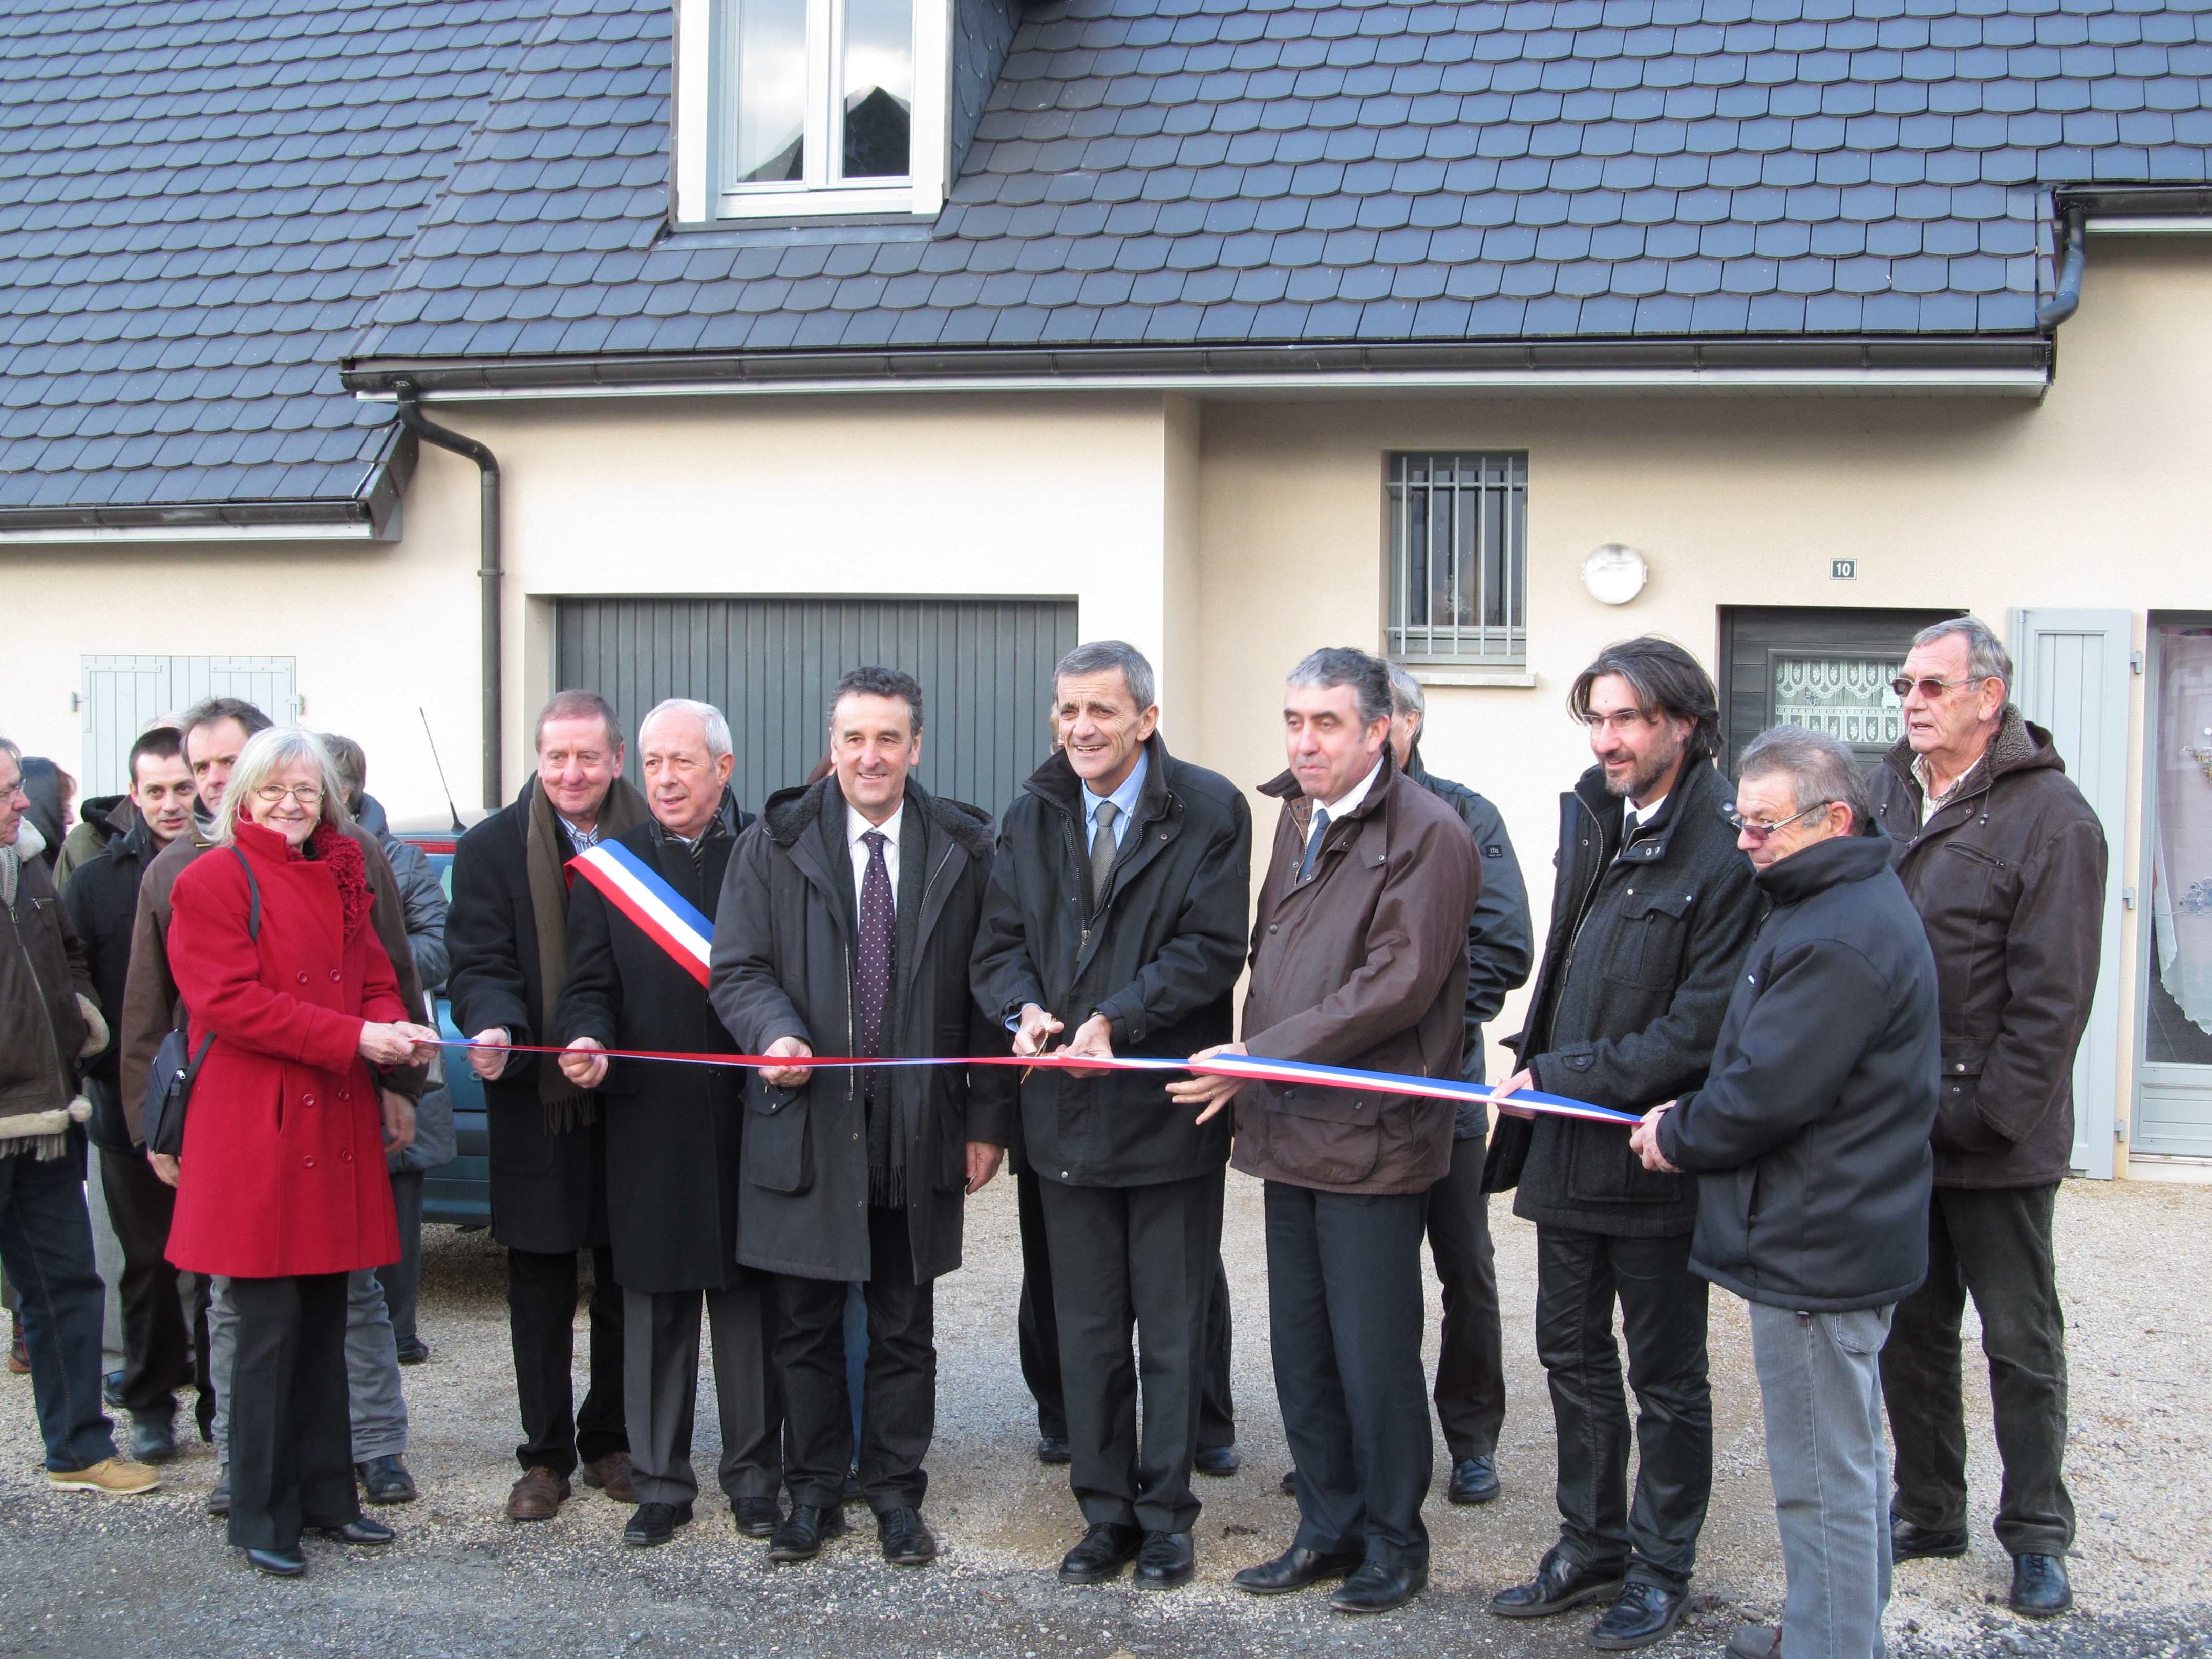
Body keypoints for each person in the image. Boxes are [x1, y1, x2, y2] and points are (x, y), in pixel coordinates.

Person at [1168, 646, 1476, 1617]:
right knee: (1301, 1346)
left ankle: (1395, 1540)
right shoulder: (1296, 816)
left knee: (1373, 1353)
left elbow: (1396, 985)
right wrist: (1259, 1065)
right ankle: (1329, 1526)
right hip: (1288, 1127)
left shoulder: (1431, 833)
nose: (1304, 741)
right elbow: (1275, 958)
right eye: (1295, 721)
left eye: (1327, 723)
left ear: (1380, 731)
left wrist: (1261, 1056)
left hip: (1374, 1140)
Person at [1628, 725, 1940, 1659]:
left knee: (1821, 1475)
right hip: (1836, 1228)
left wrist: (1678, 1132)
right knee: (1848, 1457)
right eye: (1741, 821)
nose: (1745, 843)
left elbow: (1770, 1092)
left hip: (1818, 1242)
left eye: (1764, 826)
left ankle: (1832, 1646)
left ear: (1833, 818)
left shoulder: (1840, 932)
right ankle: (1832, 1628)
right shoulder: (1830, 902)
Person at [1484, 637, 1762, 1651]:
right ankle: (1590, 1544)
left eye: (1629, 719)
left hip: (1651, 1151)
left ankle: (1660, 1566)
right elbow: (1566, 971)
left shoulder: (1727, 847)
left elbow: (1697, 1030)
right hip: (1565, 1143)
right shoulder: (1595, 817)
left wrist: (1559, 1077)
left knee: (1666, 1373)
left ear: (1683, 724)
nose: (1608, 738)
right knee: (1568, 1351)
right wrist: (1534, 1059)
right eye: (1597, 718)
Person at [710, 666, 1014, 1569]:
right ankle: (811, 1494)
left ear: (916, 747)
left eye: (888, 739)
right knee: (801, 1325)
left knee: (902, 1326)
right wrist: (775, 1033)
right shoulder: (775, 841)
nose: (870, 755)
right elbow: (738, 969)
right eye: (854, 738)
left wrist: (987, 1119)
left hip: (917, 1128)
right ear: (832, 744)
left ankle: (892, 1494)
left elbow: (991, 992)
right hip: (807, 1122)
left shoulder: (965, 846)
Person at [971, 641, 1252, 1590]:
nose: (1081, 730)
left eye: (1100, 711)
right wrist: (1025, 1011)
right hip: (1063, 1121)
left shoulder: (1210, 810)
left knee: (1169, 1333)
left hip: (1165, 1114)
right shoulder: (1030, 811)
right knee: (1086, 1330)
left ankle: (1167, 1517)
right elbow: (997, 944)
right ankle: (1105, 1515)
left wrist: (1114, 1019)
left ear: (1146, 719)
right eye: (1066, 712)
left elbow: (1211, 950)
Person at [118, 697, 429, 1517]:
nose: (291, 804)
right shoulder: (210, 878)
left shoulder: (341, 874)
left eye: (306, 790)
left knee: (328, 1322)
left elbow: (373, 973)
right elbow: (228, 1004)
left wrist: (395, 1030)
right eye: (273, 790)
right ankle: (259, 1511)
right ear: (240, 798)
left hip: (332, 1122)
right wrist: (356, 1040)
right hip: (256, 1132)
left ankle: (329, 1499)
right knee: (260, 1334)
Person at [1869, 617, 2107, 1619]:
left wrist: (1991, 1118)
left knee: (2019, 1343)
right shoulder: (1882, 797)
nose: (1913, 702)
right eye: (1905, 687)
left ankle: (2038, 1538)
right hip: (1895, 1130)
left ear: (1987, 698)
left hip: (1992, 1140)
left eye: (1932, 686)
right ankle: (1928, 1508)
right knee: (1910, 1336)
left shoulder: (2054, 819)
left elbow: (2053, 1002)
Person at [557, 699, 783, 1549]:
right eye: (652, 763)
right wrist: (587, 1035)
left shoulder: (768, 855)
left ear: (723, 769)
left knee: (749, 1305)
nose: (665, 779)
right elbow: (587, 986)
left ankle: (755, 1477)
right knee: (652, 1306)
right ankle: (660, 1481)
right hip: (647, 1120)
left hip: (750, 1115)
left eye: (683, 763)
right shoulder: (612, 870)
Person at [446, 689, 648, 1521]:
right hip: (539, 1100)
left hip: (634, 1099)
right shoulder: (493, 847)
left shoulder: (648, 839)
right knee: (537, 1280)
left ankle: (612, 1441)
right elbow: (476, 960)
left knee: (625, 1279)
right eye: (557, 757)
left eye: (588, 758)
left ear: (615, 761)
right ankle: (543, 1456)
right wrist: (492, 1021)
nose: (572, 773)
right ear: (538, 759)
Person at [1384, 660, 1533, 1509]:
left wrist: (1418, 1028)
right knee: (1368, 1277)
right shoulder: (1311, 816)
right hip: (1347, 1102)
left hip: (1443, 1096)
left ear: (1410, 723)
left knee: (1465, 1272)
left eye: (1382, 714)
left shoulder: (1467, 816)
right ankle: (1370, 1434)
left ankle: (1472, 1440)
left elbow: (1505, 946)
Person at [0, 738, 157, 1498]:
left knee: (67, 1287)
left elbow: (66, 955)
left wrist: (83, 1024)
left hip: (49, 1115)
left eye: (14, 789)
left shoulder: (29, 863)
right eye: (3, 794)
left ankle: (78, 1450)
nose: (21, 803)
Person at [60, 726, 206, 1464]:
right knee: (148, 1260)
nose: (172, 803)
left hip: (216, 1096)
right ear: (133, 796)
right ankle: (152, 1404)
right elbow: (73, 973)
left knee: (220, 1260)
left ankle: (221, 1400)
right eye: (156, 791)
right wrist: (107, 1056)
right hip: (130, 1098)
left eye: (184, 787)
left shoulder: (225, 865)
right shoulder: (95, 883)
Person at [323, 734, 453, 1369]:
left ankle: (399, 1330)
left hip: (395, 1040)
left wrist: (378, 962)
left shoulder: (399, 860)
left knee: (401, 1197)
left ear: (345, 790)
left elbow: (437, 945)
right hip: (328, 1048)